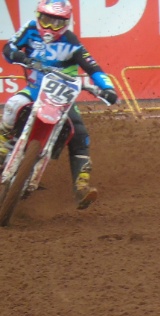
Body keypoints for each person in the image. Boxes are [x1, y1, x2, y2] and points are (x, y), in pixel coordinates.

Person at [0, 0, 118, 209]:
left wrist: (108, 89)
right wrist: (16, 55)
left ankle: (80, 187)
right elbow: (9, 47)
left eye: (57, 23)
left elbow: (93, 67)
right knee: (12, 105)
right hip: (35, 90)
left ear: (66, 23)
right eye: (46, 20)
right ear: (38, 17)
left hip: (61, 96)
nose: (50, 27)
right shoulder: (29, 29)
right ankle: (3, 145)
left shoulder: (71, 42)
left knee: (80, 133)